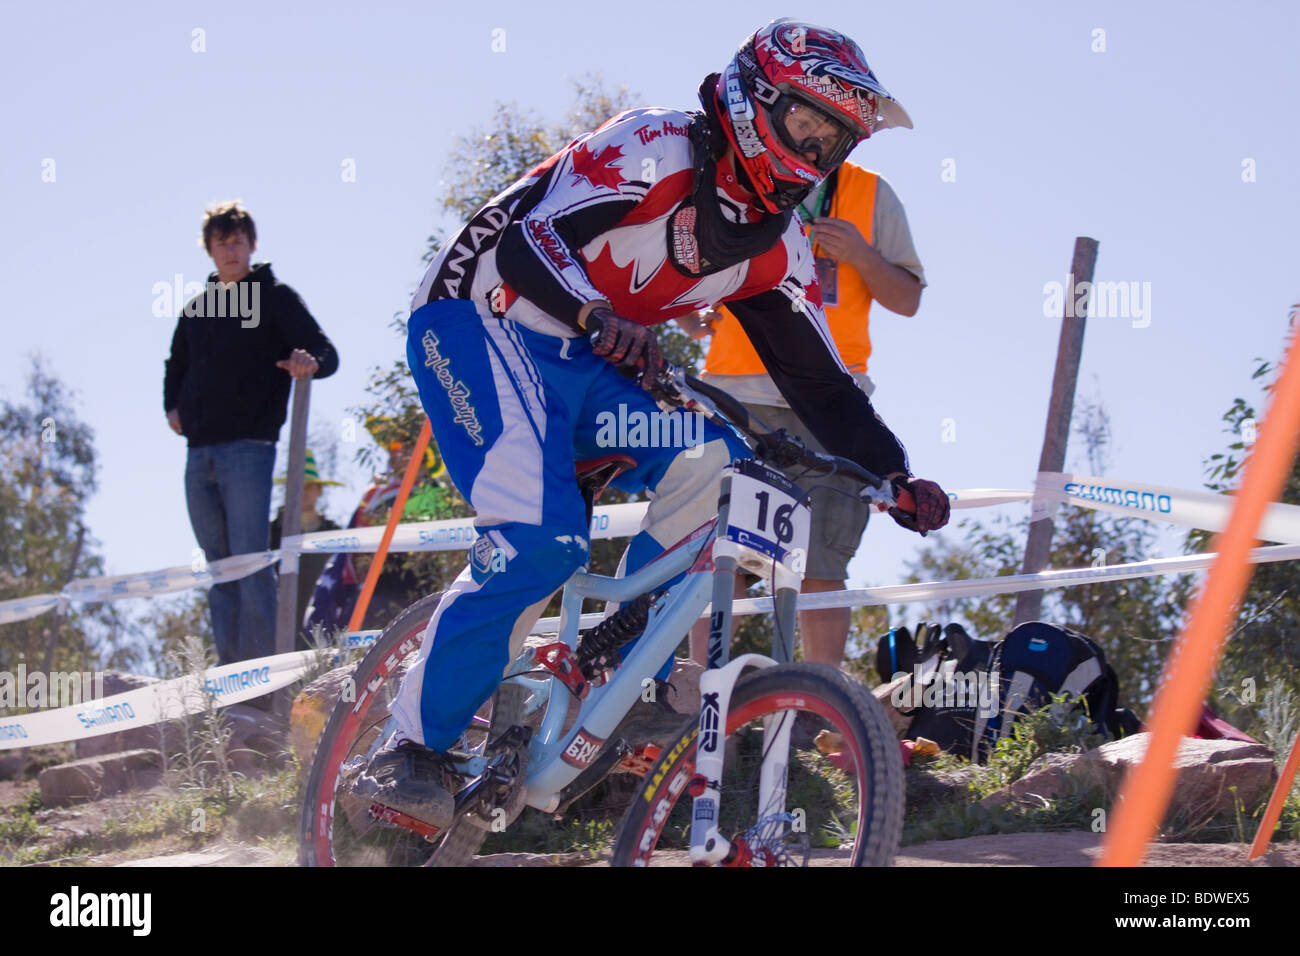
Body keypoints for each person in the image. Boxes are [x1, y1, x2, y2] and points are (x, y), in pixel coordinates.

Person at [355, 19, 950, 827]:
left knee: (721, 465)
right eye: (807, 124)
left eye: (834, 139)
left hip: (586, 358)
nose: (815, 153)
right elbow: (531, 247)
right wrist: (597, 314)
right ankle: (406, 748)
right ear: (755, 102)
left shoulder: (779, 246)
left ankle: (605, 661)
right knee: (541, 539)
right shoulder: (658, 147)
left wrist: (896, 475)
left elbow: (823, 387)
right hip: (479, 319)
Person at [684, 159, 926, 667]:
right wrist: (692, 312)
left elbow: (907, 300)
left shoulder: (872, 192)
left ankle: (819, 712)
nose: (819, 131)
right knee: (721, 560)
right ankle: (697, 712)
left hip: (833, 410)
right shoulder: (743, 172)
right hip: (737, 395)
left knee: (821, 565)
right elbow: (679, 265)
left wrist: (860, 254)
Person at [163, 201, 339, 665]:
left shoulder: (276, 297)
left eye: (238, 241)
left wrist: (309, 361)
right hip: (198, 454)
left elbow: (325, 350)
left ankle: (264, 679)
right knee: (219, 569)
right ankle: (231, 683)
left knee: (251, 561)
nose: (231, 250)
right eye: (221, 243)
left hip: (249, 449)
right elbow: (175, 365)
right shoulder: (196, 310)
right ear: (209, 250)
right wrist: (171, 406)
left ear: (252, 244)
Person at [268, 448, 344, 648]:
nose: (304, 491)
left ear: (319, 491)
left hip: (323, 626)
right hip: (278, 627)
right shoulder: (271, 534)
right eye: (297, 485)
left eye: (309, 486)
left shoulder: (336, 533)